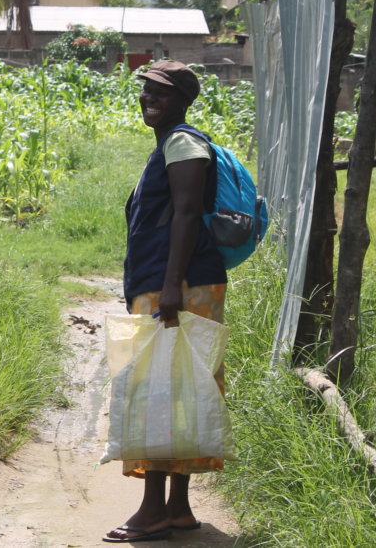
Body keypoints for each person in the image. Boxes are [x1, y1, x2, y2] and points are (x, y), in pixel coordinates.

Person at [104, 60, 228, 544]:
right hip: (177, 283)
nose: (149, 98)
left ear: (182, 101)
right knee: (180, 389)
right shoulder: (172, 144)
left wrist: (171, 284)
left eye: (160, 92)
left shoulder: (182, 143)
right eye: (146, 90)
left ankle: (154, 510)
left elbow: (187, 213)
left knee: (156, 390)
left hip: (177, 286)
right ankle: (177, 508)